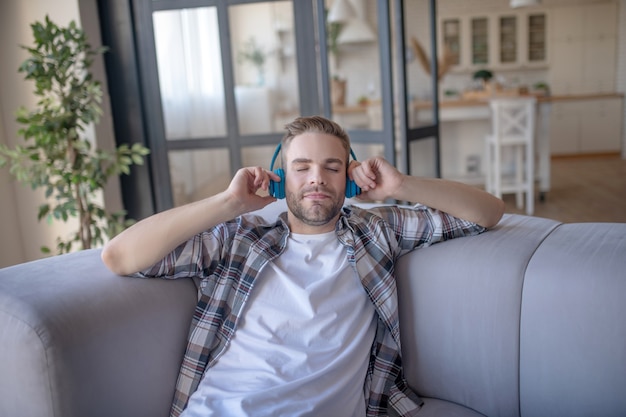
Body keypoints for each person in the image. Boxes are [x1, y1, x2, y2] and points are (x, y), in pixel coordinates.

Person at [101, 115, 505, 417]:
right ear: (281, 179)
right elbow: (119, 257)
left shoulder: (377, 231)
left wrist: (400, 187)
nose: (317, 178)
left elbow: (487, 213)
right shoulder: (239, 238)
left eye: (332, 167)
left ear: (348, 179)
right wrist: (229, 203)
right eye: (302, 167)